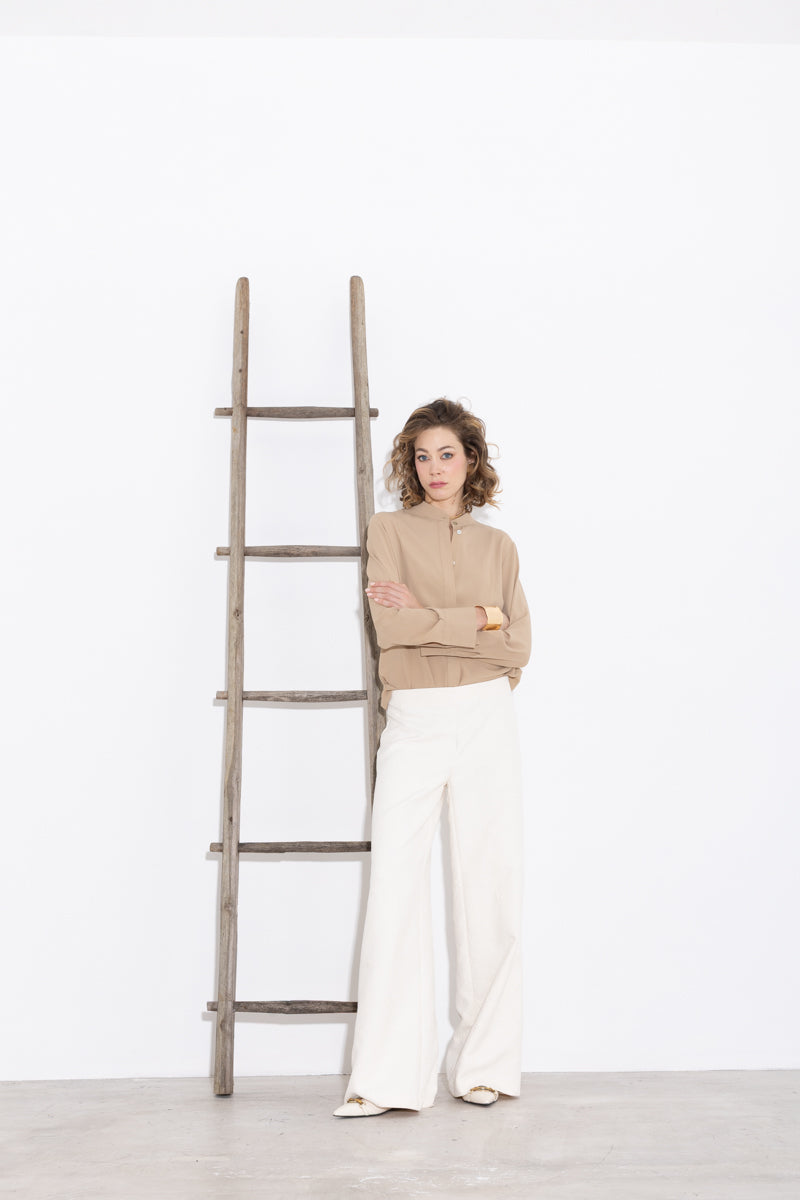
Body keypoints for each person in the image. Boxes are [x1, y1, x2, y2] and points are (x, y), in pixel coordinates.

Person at [333, 397, 531, 1117]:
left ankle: (486, 1068)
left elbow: (518, 646)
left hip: (485, 714)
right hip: (414, 718)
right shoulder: (387, 530)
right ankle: (384, 1079)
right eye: (422, 456)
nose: (434, 468)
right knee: (394, 886)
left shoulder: (498, 547)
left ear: (470, 461)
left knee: (490, 885)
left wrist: (434, 621)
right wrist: (479, 618)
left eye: (447, 454)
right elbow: (392, 630)